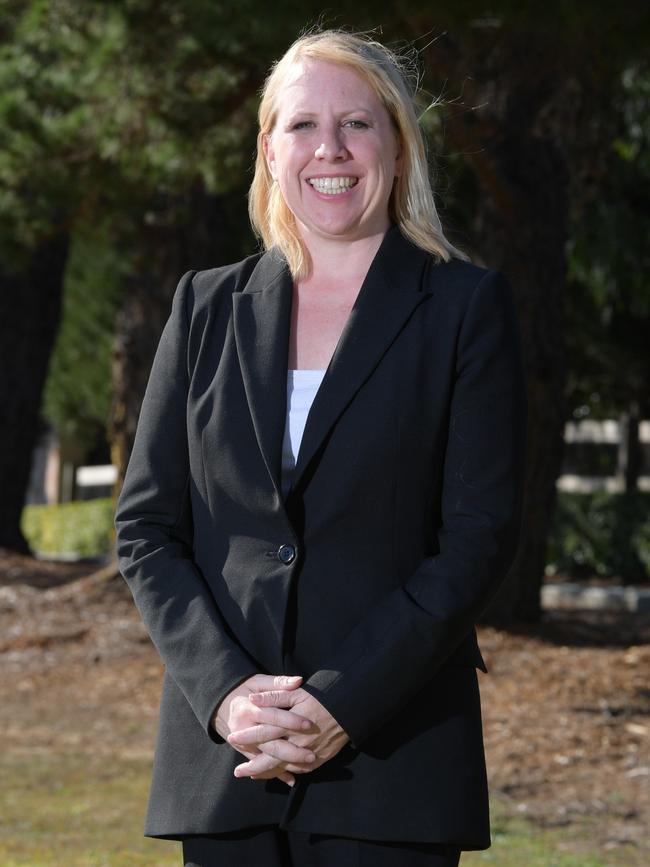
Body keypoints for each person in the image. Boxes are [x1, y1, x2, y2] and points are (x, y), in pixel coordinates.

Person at [114, 28, 528, 867]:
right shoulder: (205, 308)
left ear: (399, 146)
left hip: (394, 768)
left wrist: (343, 701)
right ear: (269, 151)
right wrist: (227, 694)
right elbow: (146, 530)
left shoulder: (464, 307)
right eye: (302, 125)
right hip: (229, 769)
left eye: (358, 124)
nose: (329, 149)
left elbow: (478, 537)